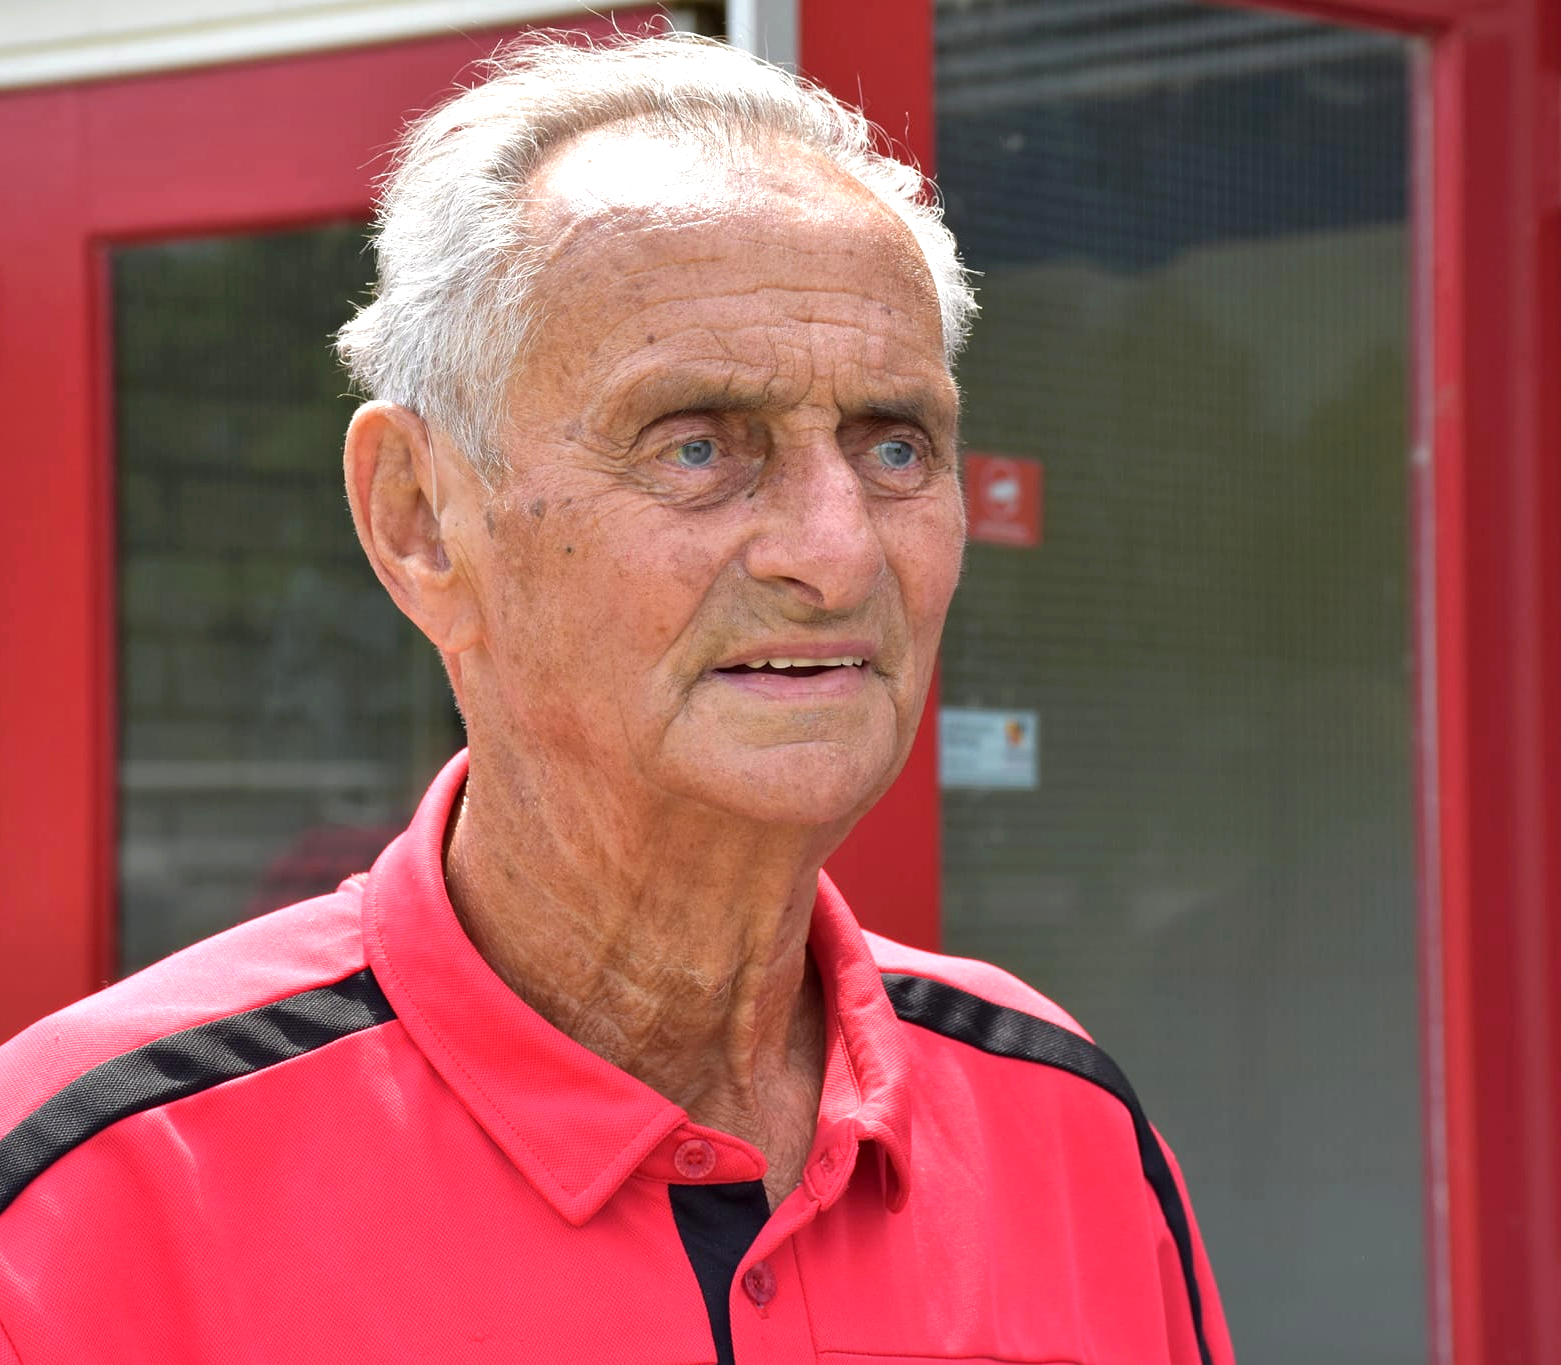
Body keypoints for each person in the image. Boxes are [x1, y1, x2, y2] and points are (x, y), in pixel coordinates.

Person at [0, 32, 1234, 1365]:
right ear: (420, 519)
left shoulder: (1062, 1126)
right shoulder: (97, 1188)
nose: (834, 553)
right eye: (698, 443)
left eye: (891, 443)